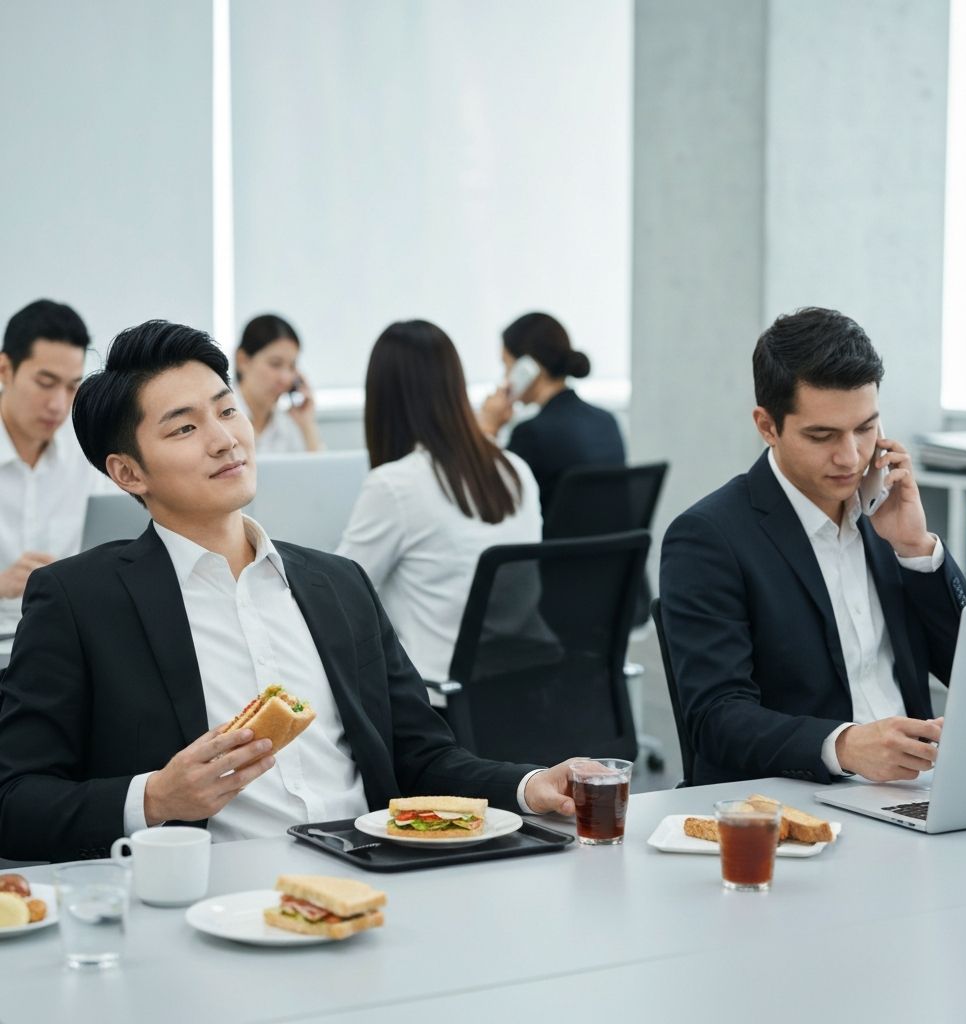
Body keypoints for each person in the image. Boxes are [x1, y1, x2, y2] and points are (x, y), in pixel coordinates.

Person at [0, 320, 577, 863]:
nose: (225, 440)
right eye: (184, 427)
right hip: (209, 903)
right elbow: (15, 801)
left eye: (228, 411)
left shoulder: (338, 584)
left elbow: (422, 757)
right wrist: (154, 800)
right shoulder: (78, 601)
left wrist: (529, 786)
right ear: (128, 473)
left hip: (373, 881)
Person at [659, 307, 966, 787]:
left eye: (865, 429)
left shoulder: (885, 516)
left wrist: (914, 547)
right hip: (792, 804)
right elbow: (715, 718)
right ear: (767, 426)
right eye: (822, 436)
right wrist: (844, 746)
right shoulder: (708, 537)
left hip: (915, 792)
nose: (850, 457)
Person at [338, 320, 542, 686]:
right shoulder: (518, 471)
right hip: (522, 694)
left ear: (382, 398)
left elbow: (337, 602)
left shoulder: (395, 486)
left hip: (438, 709)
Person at [0, 299, 94, 633]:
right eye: (45, 382)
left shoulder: (86, 458)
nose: (58, 404)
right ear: (5, 370)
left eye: (72, 386)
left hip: (62, 641)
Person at [478, 312, 625, 514]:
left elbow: (488, 500)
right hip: (610, 547)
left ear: (527, 369)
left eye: (507, 366)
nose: (505, 377)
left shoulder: (532, 433)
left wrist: (488, 428)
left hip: (551, 544)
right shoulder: (607, 422)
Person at [235, 313, 322, 453]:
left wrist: (307, 426)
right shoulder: (219, 419)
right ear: (243, 360)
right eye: (275, 364)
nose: (287, 379)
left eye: (292, 366)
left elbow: (320, 473)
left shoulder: (289, 426)